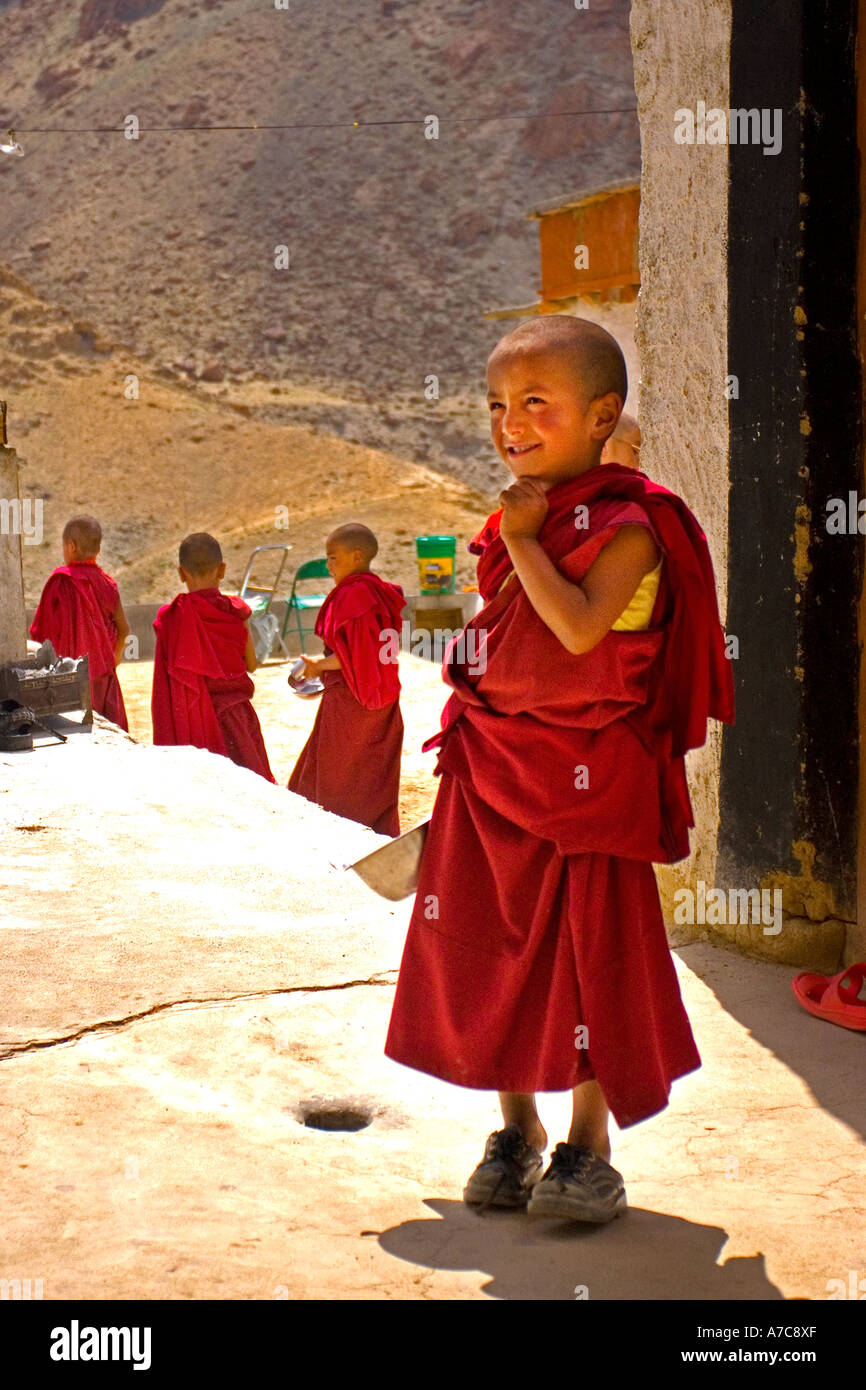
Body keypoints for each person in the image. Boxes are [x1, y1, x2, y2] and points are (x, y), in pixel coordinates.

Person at [385, 316, 734, 1222]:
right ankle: (516, 1128)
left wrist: (528, 541)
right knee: (485, 942)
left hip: (588, 778)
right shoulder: (522, 518)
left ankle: (589, 1147)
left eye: (537, 403)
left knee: (588, 957)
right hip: (492, 764)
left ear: (602, 413)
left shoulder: (636, 524)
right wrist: (519, 538)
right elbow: (504, 636)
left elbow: (579, 627)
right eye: (499, 404)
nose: (512, 424)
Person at [288, 523, 405, 837]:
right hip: (382, 694)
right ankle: (373, 830)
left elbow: (358, 655)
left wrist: (318, 666)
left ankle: (338, 834)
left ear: (356, 556)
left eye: (333, 558)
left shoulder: (355, 595)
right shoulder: (380, 591)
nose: (328, 566)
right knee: (371, 768)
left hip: (352, 699)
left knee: (338, 770)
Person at [151, 532, 274, 782]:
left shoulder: (172, 618)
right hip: (236, 718)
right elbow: (251, 664)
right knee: (250, 786)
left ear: (181, 573)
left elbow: (167, 682)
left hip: (192, 721)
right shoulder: (236, 612)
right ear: (222, 570)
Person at [30, 514, 130, 729]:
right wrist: (112, 661)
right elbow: (124, 630)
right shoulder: (107, 583)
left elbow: (41, 634)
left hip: (68, 682)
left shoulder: (60, 581)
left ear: (71, 546)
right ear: (99, 549)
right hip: (103, 679)